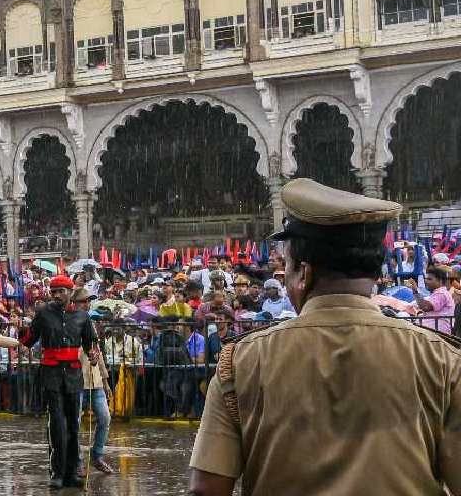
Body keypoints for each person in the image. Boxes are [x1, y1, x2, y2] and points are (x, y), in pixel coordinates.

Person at [189, 178, 461, 496]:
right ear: (374, 270)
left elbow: (207, 489)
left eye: (287, 267)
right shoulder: (442, 361)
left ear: (303, 273)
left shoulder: (241, 362)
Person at [21, 274, 94, 489]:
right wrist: (21, 332)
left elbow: (91, 344)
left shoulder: (82, 317)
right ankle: (57, 473)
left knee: (73, 424)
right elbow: (29, 339)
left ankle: (72, 473)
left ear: (71, 292)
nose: (57, 295)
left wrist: (94, 353)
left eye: (61, 291)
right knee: (57, 425)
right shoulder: (43, 313)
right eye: (54, 292)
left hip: (73, 375)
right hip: (51, 374)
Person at [74, 296, 114, 475]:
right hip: (77, 381)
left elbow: (100, 358)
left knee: (105, 418)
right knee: (74, 422)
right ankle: (76, 460)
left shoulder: (94, 333)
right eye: (96, 320)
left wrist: (105, 381)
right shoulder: (73, 327)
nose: (98, 323)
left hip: (96, 382)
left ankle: (96, 455)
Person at [415, 265, 456, 333]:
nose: (426, 281)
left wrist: (415, 291)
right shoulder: (438, 292)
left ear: (440, 281)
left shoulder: (441, 294)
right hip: (429, 331)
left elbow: (425, 307)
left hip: (436, 333)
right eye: (426, 278)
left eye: (429, 279)